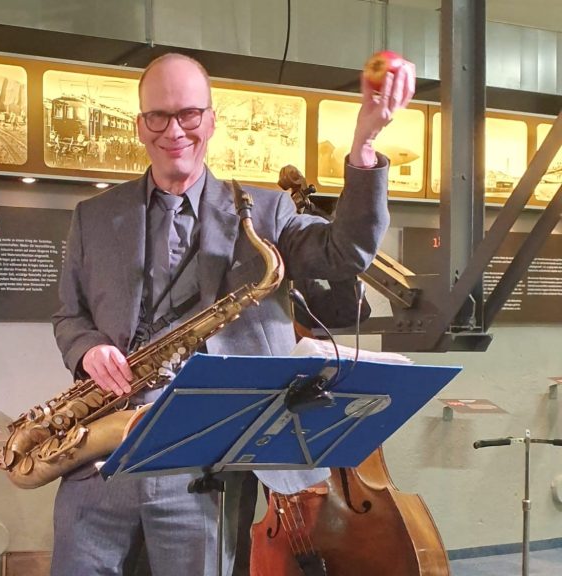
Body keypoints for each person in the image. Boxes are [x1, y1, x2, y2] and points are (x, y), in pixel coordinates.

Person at [50, 52, 415, 576]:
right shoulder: (93, 216)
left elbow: (346, 253)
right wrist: (89, 350)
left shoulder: (265, 213)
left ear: (212, 120)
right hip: (100, 462)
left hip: (205, 472)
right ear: (140, 125)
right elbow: (70, 316)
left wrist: (364, 145)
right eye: (159, 116)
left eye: (189, 114)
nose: (174, 130)